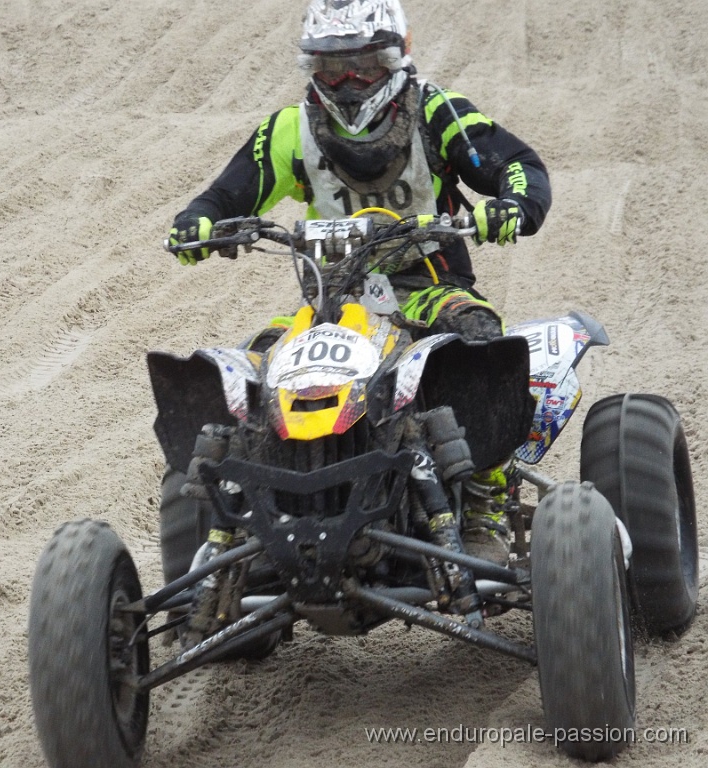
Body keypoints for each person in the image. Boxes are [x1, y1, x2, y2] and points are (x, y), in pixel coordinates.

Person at [165, 0, 551, 565]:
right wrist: (196, 223)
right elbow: (225, 195)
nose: (348, 83)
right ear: (311, 68)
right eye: (331, 68)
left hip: (428, 286)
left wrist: (515, 203)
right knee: (253, 368)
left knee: (480, 342)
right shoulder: (291, 129)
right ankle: (250, 523)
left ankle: (484, 505)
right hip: (332, 301)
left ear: (396, 58)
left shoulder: (435, 111)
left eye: (364, 66)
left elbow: (515, 162)